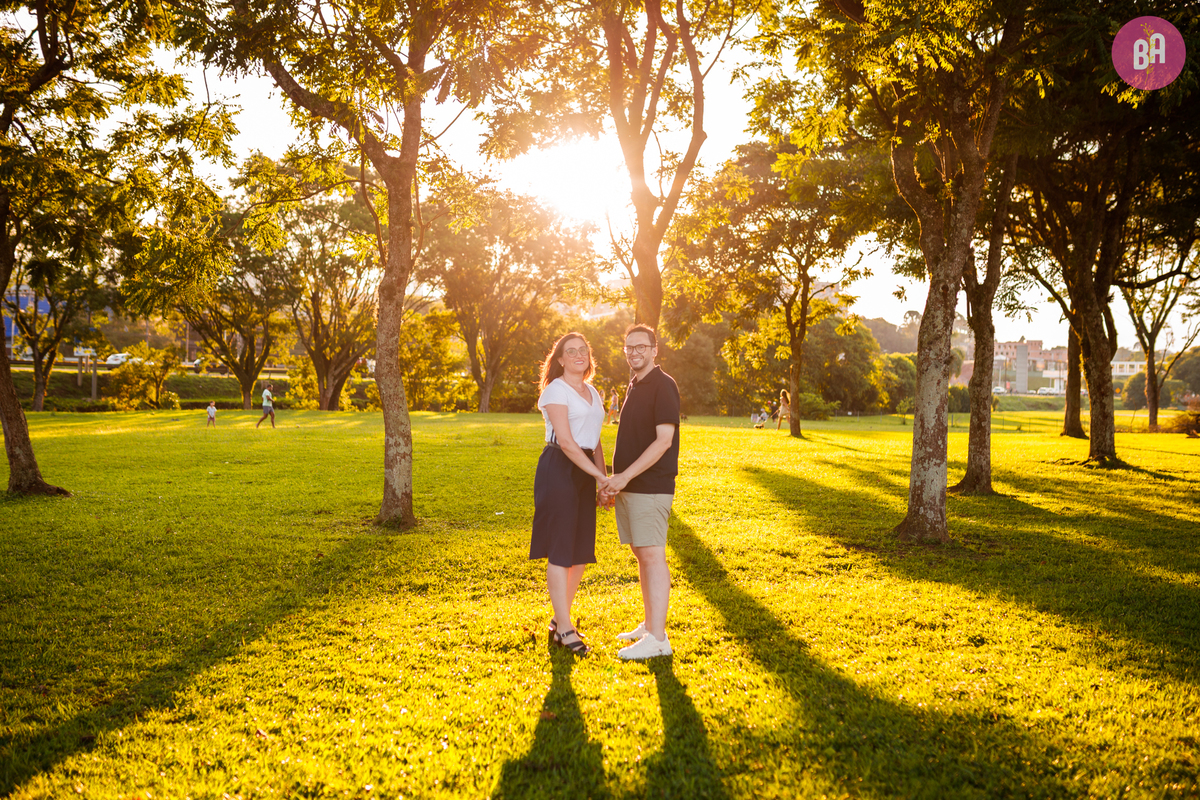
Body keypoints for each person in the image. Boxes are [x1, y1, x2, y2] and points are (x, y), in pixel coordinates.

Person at [601, 324, 680, 660]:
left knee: (652, 556)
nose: (634, 352)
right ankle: (649, 625)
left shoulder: (664, 385)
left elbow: (664, 441)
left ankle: (658, 640)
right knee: (641, 554)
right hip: (631, 486)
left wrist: (624, 477)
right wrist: (618, 480)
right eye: (628, 347)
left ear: (654, 349)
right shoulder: (634, 383)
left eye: (640, 347)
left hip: (650, 487)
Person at [530, 332, 609, 657]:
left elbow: (595, 439)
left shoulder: (592, 392)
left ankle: (559, 619)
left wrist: (603, 479)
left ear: (588, 357)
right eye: (570, 351)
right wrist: (599, 477)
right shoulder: (555, 390)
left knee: (579, 552)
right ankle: (564, 628)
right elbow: (566, 441)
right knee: (561, 550)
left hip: (585, 469)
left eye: (583, 350)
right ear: (560, 359)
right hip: (559, 469)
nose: (578, 355)